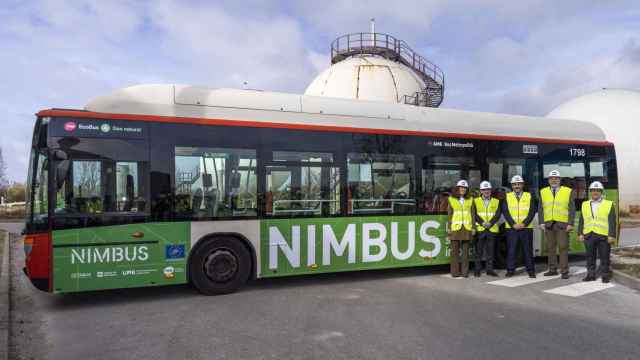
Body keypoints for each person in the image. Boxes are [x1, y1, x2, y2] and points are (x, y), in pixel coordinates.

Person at [538, 170, 576, 279]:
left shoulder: (567, 191)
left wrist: (570, 223)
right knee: (550, 248)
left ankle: (564, 271)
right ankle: (552, 269)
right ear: (549, 180)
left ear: (559, 180)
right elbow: (540, 208)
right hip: (549, 224)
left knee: (563, 247)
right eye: (551, 178)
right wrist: (541, 222)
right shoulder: (543, 191)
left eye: (556, 178)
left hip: (562, 224)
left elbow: (572, 208)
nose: (554, 180)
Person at [578, 181, 617, 283]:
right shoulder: (584, 204)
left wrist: (612, 235)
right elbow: (582, 220)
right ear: (590, 192)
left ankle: (605, 275)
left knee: (604, 256)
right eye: (593, 190)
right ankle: (591, 275)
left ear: (601, 192)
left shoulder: (609, 204)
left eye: (597, 190)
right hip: (589, 234)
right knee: (590, 256)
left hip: (603, 235)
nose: (595, 192)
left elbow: (612, 221)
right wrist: (580, 233)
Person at [502, 175, 537, 278]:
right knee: (512, 250)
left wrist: (524, 224)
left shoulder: (529, 196)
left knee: (527, 250)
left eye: (519, 184)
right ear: (512, 186)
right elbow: (505, 212)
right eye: (515, 184)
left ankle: (531, 270)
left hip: (526, 228)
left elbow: (532, 211)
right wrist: (513, 224)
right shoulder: (507, 196)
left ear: (522, 185)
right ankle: (510, 270)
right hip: (511, 228)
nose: (517, 186)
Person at [472, 181, 501, 277]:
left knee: (491, 251)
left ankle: (490, 270)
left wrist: (490, 223)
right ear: (481, 191)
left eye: (488, 189)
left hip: (491, 229)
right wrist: (483, 223)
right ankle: (477, 270)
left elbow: (497, 214)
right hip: (480, 228)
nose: (486, 191)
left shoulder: (496, 201)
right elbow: (474, 214)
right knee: (479, 251)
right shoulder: (475, 201)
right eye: (484, 190)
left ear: (491, 190)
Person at [447, 180, 475, 278]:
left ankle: (465, 273)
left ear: (467, 189)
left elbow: (472, 214)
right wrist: (449, 228)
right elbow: (450, 215)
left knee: (465, 253)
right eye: (461, 188)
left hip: (466, 228)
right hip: (455, 228)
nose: (462, 189)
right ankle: (455, 273)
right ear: (457, 188)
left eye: (464, 188)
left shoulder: (470, 199)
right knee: (454, 252)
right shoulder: (451, 199)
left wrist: (473, 227)